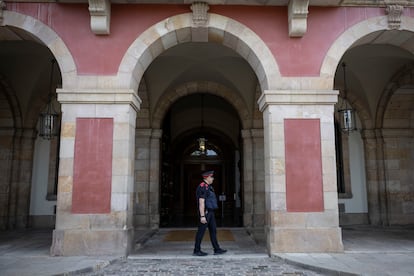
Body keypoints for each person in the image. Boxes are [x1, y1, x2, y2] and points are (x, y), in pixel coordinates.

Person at [193, 170, 227, 256]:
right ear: (207, 177)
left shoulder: (209, 187)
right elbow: (201, 202)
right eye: (211, 177)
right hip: (206, 212)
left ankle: (217, 249)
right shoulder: (203, 187)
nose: (213, 178)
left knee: (213, 230)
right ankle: (196, 250)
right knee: (201, 231)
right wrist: (202, 216)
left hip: (210, 212)